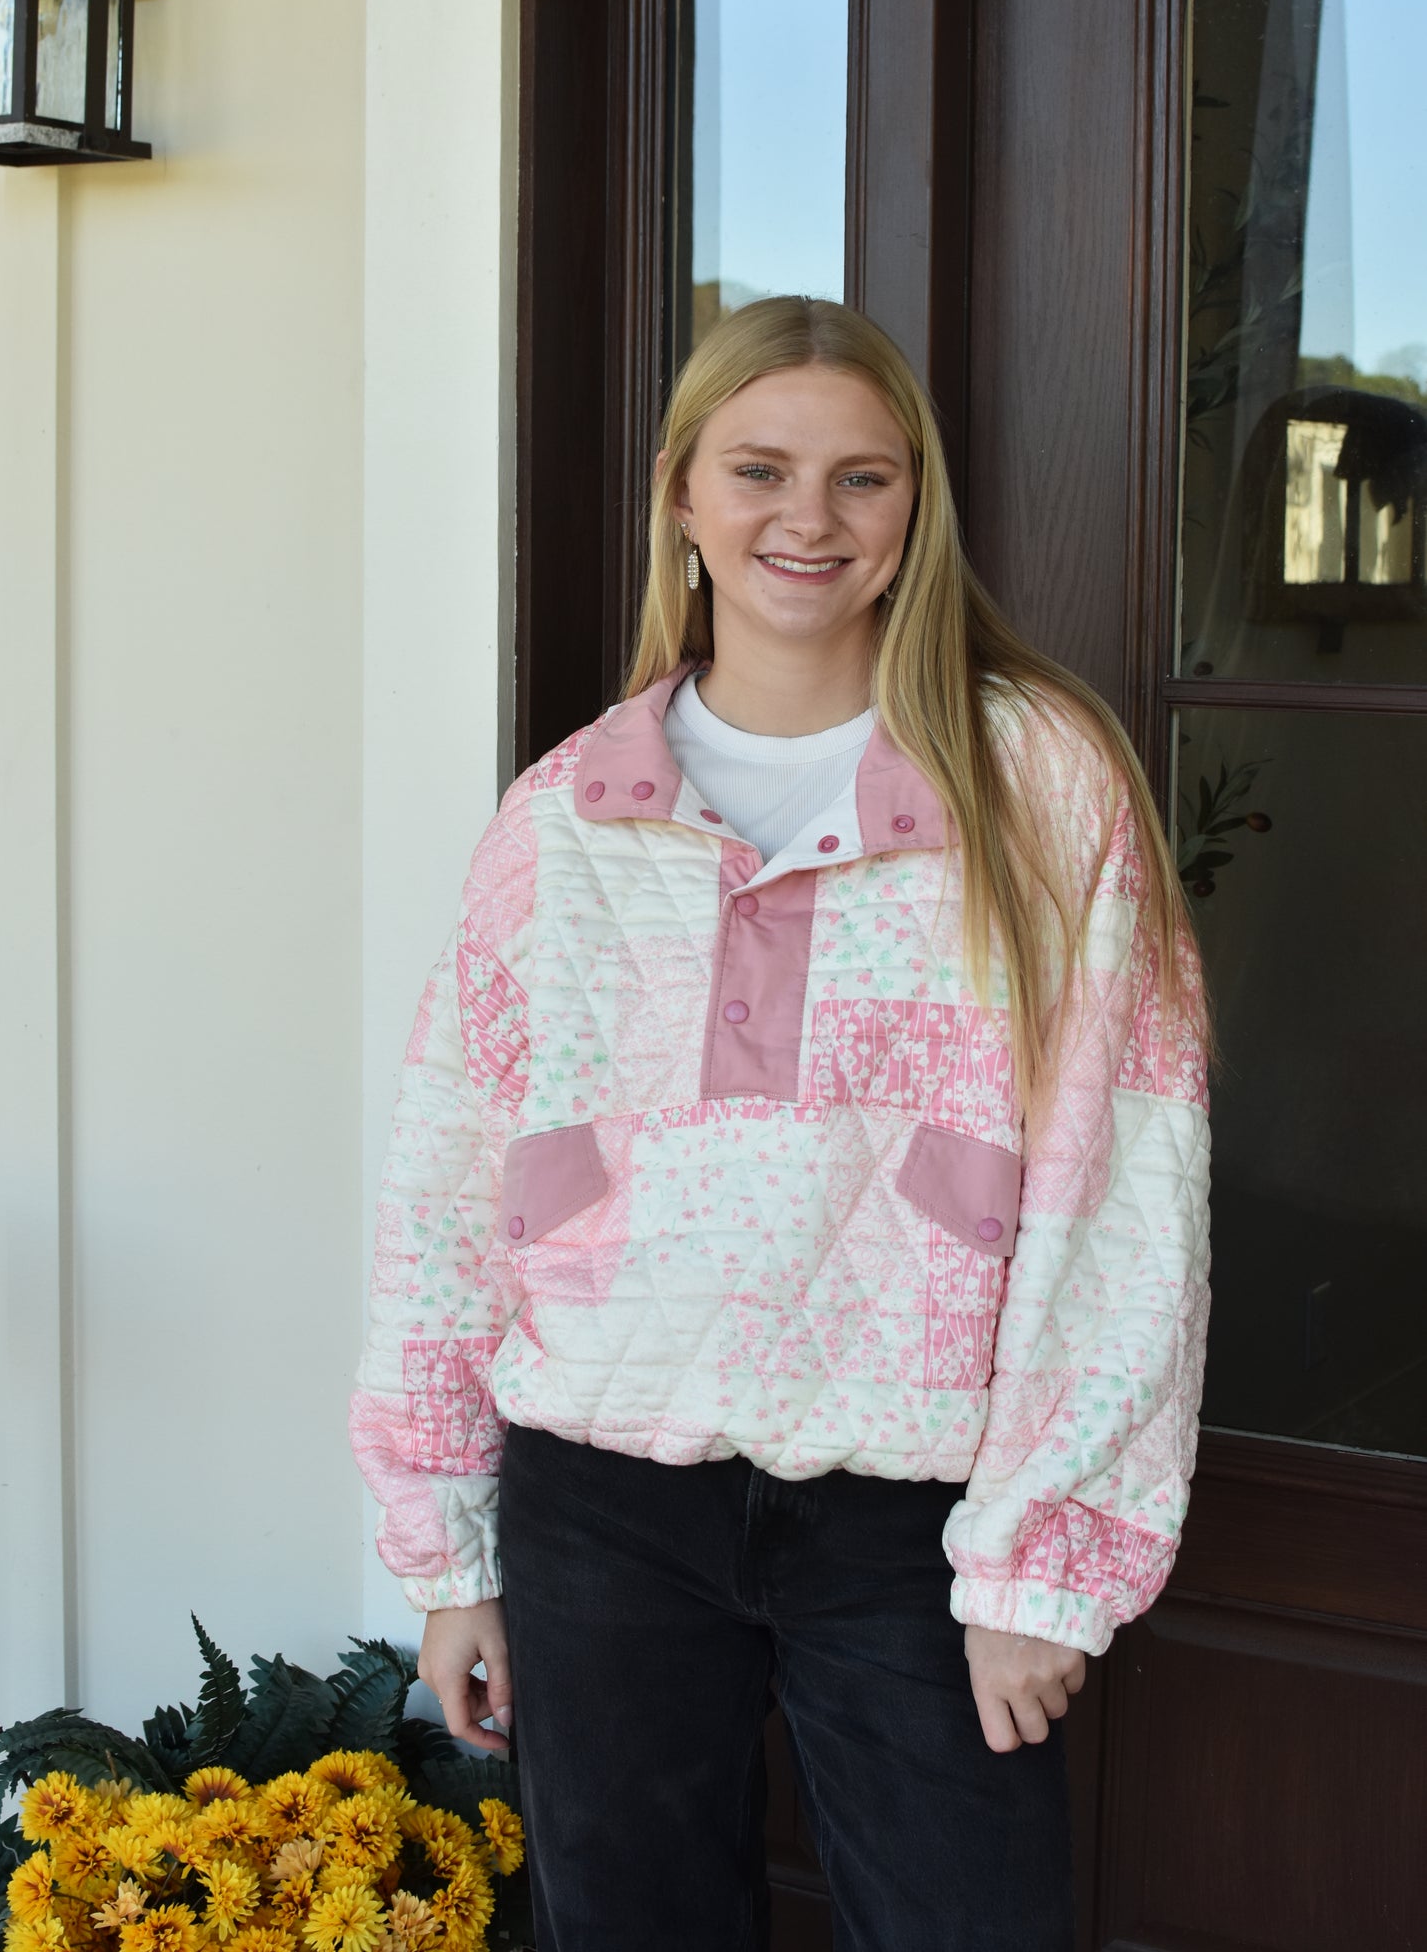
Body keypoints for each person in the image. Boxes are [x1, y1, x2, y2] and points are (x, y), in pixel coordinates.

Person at [350, 296, 1213, 1952]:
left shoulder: (1036, 787)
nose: (805, 520)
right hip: (600, 1499)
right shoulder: (565, 815)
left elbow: (1126, 1182)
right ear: (683, 498)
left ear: (913, 518)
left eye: (861, 480)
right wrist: (450, 1547)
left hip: (913, 1514)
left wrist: (1042, 1568)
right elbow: (452, 1184)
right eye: (757, 470)